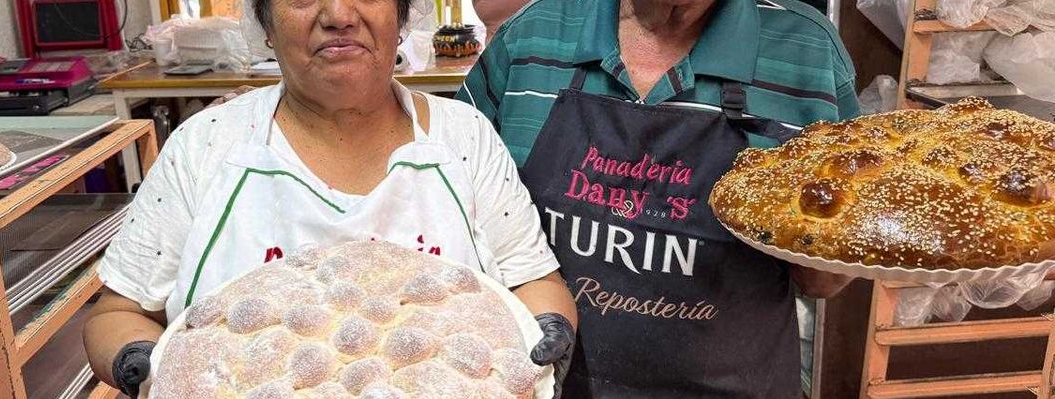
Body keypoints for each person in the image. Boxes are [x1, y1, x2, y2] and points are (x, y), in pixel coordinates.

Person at [82, 0, 577, 397]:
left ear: (402, 15)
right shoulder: (205, 145)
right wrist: (142, 362)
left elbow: (534, 283)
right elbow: (114, 315)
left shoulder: (465, 139)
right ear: (265, 25)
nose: (338, 15)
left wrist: (547, 328)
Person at [457, 0, 858, 397]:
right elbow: (451, 207)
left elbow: (823, 278)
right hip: (551, 385)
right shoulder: (532, 35)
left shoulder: (808, 53)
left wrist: (838, 239)